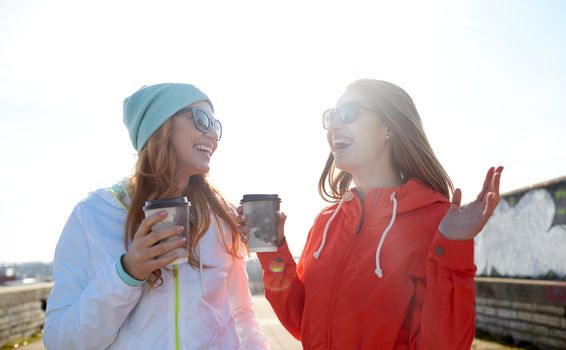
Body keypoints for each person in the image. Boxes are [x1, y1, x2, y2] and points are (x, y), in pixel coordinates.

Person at [237, 79, 503, 349]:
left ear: (388, 126)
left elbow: (445, 344)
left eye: (349, 112)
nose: (334, 125)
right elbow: (301, 321)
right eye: (331, 116)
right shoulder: (326, 221)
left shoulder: (436, 222)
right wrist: (273, 250)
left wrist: (454, 244)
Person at [44, 83, 270, 349]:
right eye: (201, 120)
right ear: (161, 127)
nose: (213, 135)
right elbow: (61, 341)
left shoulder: (222, 217)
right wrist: (126, 273)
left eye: (215, 125)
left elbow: (241, 315)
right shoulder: (94, 215)